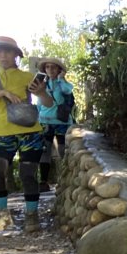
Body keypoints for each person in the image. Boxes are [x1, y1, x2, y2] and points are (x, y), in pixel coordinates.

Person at [0, 36, 52, 232]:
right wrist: (3, 93)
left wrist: (41, 92)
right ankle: (3, 217)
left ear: (16, 55)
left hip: (29, 132)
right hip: (0, 133)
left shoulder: (27, 76)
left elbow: (48, 103)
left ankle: (32, 216)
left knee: (28, 174)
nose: (3, 55)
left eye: (8, 51)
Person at [35, 57, 75, 192]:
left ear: (59, 69)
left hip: (61, 122)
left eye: (53, 67)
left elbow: (68, 90)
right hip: (45, 122)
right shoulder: (42, 85)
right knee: (44, 152)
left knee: (63, 151)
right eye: (47, 67)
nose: (50, 69)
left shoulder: (62, 84)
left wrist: (61, 78)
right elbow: (39, 104)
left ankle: (64, 179)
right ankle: (43, 182)